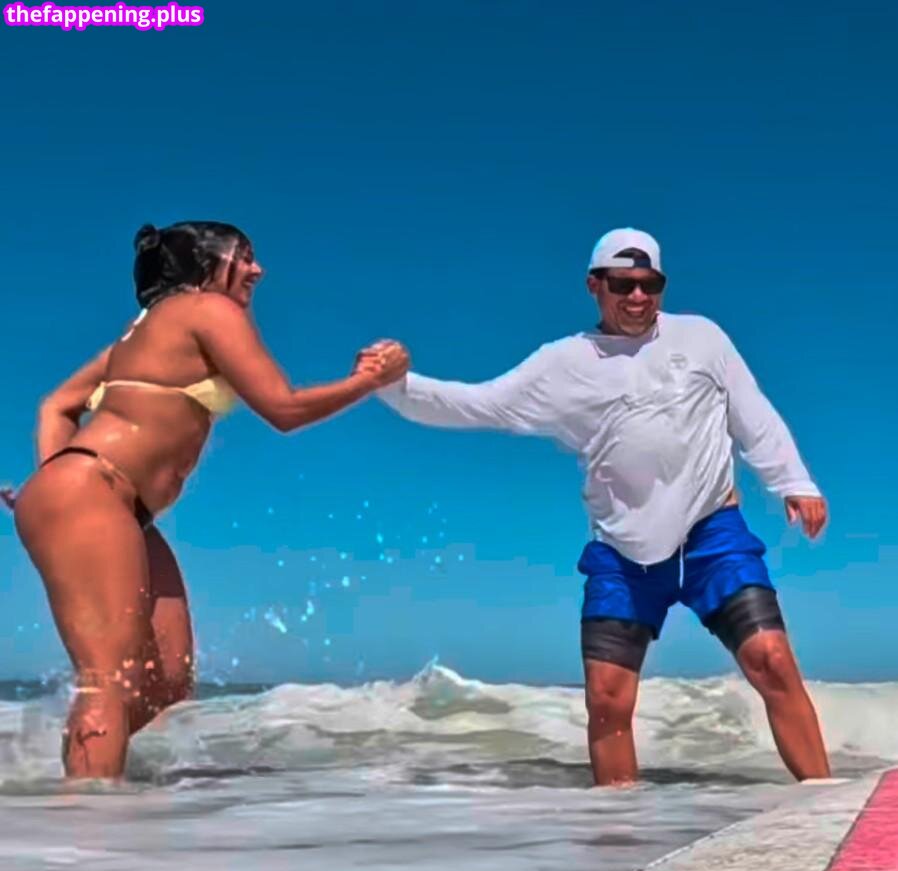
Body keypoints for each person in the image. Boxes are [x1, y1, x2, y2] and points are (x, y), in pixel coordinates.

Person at [365, 228, 831, 786]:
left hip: (713, 535)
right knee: (607, 700)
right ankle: (619, 824)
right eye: (622, 284)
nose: (637, 297)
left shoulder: (702, 337)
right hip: (622, 552)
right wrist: (395, 387)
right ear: (594, 285)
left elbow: (752, 413)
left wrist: (794, 481)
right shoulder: (563, 363)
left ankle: (824, 799)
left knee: (772, 661)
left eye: (650, 284)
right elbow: (480, 404)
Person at [7, 221, 408, 780]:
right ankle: (88, 825)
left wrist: (50, 480)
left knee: (167, 684)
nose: (257, 269)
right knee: (109, 681)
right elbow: (284, 408)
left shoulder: (143, 332)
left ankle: (80, 779)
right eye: (242, 256)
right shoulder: (207, 309)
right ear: (204, 266)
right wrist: (369, 380)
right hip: (91, 490)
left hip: (113, 506)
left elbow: (56, 404)